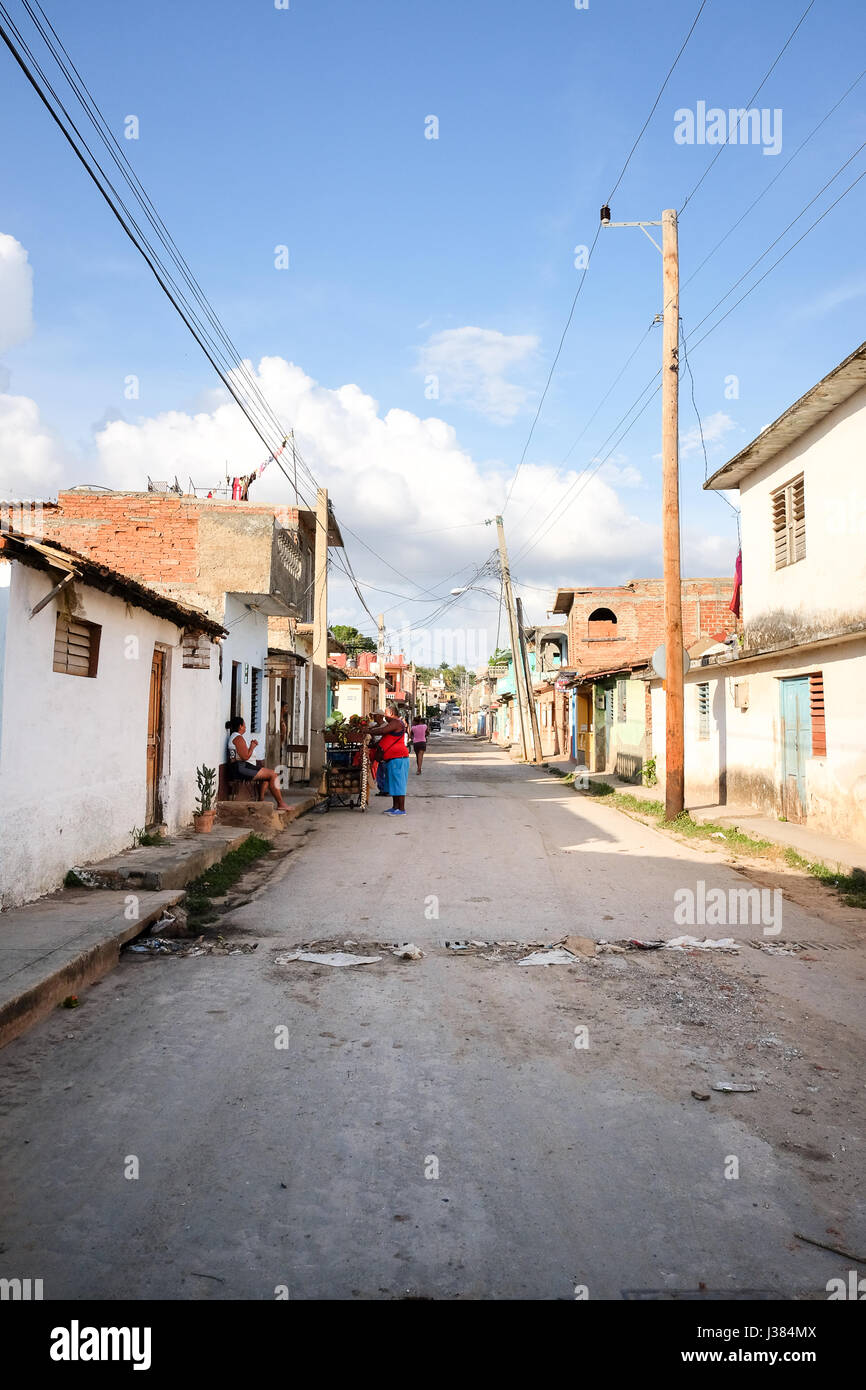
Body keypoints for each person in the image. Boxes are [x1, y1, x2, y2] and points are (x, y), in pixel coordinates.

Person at [225, 716, 291, 810]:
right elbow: (245, 757)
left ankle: (261, 800)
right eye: (244, 725)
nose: (245, 727)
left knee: (269, 775)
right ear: (240, 726)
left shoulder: (235, 737)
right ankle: (281, 804)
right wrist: (252, 746)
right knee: (272, 775)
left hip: (240, 767)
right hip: (240, 768)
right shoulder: (238, 738)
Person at [370, 703, 410, 815]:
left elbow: (382, 731)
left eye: (386, 714)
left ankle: (401, 809)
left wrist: (368, 731)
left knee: (398, 784)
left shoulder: (396, 722)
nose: (384, 717)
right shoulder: (393, 724)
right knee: (393, 784)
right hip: (392, 758)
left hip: (399, 757)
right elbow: (384, 739)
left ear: (392, 713)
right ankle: (395, 807)